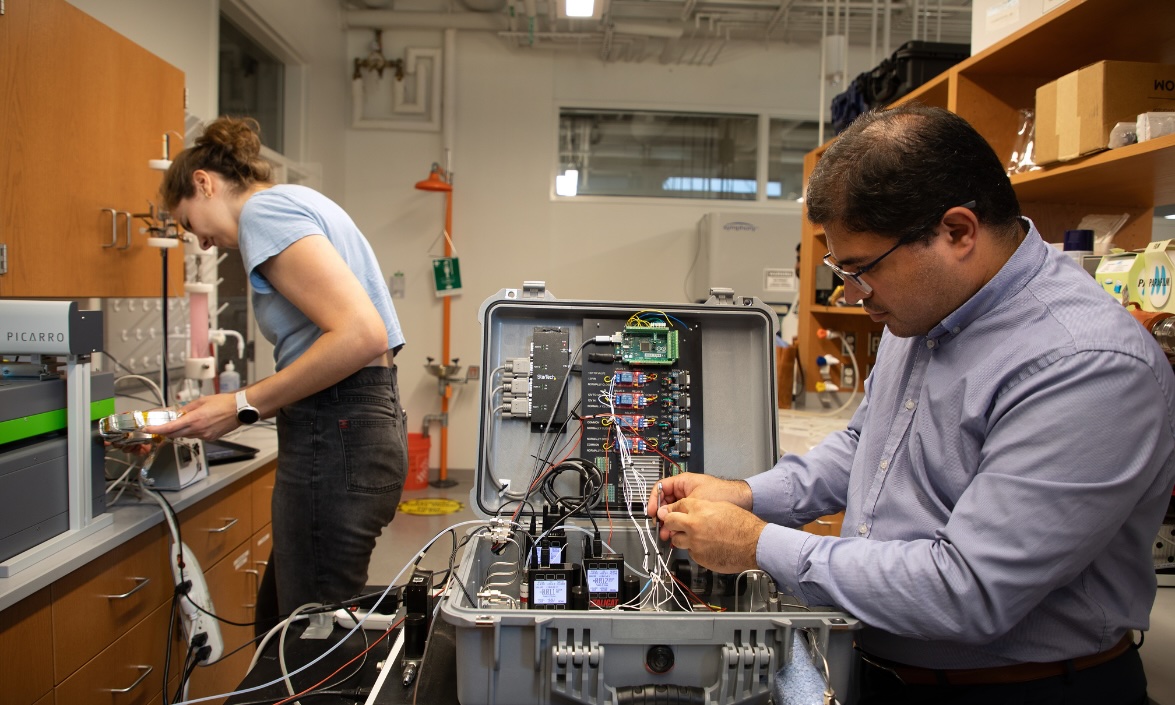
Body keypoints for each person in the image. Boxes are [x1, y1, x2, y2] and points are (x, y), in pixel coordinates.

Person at [648, 104, 1175, 705]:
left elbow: (968, 591)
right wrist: (746, 494)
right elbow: (865, 447)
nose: (851, 295)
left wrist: (759, 543)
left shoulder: (1085, 364)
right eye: (838, 270)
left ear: (956, 232)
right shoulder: (924, 314)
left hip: (1026, 689)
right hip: (883, 671)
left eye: (861, 269)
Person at [147, 116, 408, 634]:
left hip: (336, 429)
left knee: (310, 645)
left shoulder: (264, 213)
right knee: (283, 624)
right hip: (361, 422)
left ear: (204, 183)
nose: (198, 242)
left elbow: (361, 334)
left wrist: (241, 404)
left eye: (187, 221)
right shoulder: (302, 202)